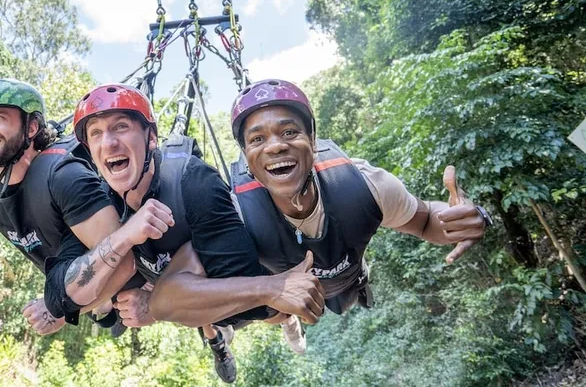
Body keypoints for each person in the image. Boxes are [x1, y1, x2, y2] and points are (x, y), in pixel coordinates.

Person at [51, 83, 325, 383]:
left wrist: (157, 306)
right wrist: (125, 236)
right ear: (90, 151)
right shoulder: (100, 205)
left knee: (269, 313)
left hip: (233, 289)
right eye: (96, 134)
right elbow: (60, 293)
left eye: (121, 127)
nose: (109, 143)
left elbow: (241, 298)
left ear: (151, 137)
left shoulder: (193, 182)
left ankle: (284, 321)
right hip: (175, 283)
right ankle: (215, 336)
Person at [227, 78, 492, 352]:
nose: (275, 147)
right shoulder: (235, 213)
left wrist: (460, 220)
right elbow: (197, 287)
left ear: (313, 142)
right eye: (258, 139)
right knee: (273, 312)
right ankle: (288, 321)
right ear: (246, 158)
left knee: (344, 302)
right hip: (280, 289)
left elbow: (424, 220)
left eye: (290, 132)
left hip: (347, 276)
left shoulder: (363, 185)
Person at [0, 77, 137, 335]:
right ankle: (102, 309)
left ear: (31, 127)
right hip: (75, 283)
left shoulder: (64, 175)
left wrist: (61, 311)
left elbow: (124, 262)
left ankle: (105, 309)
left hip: (126, 285)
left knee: (113, 304)